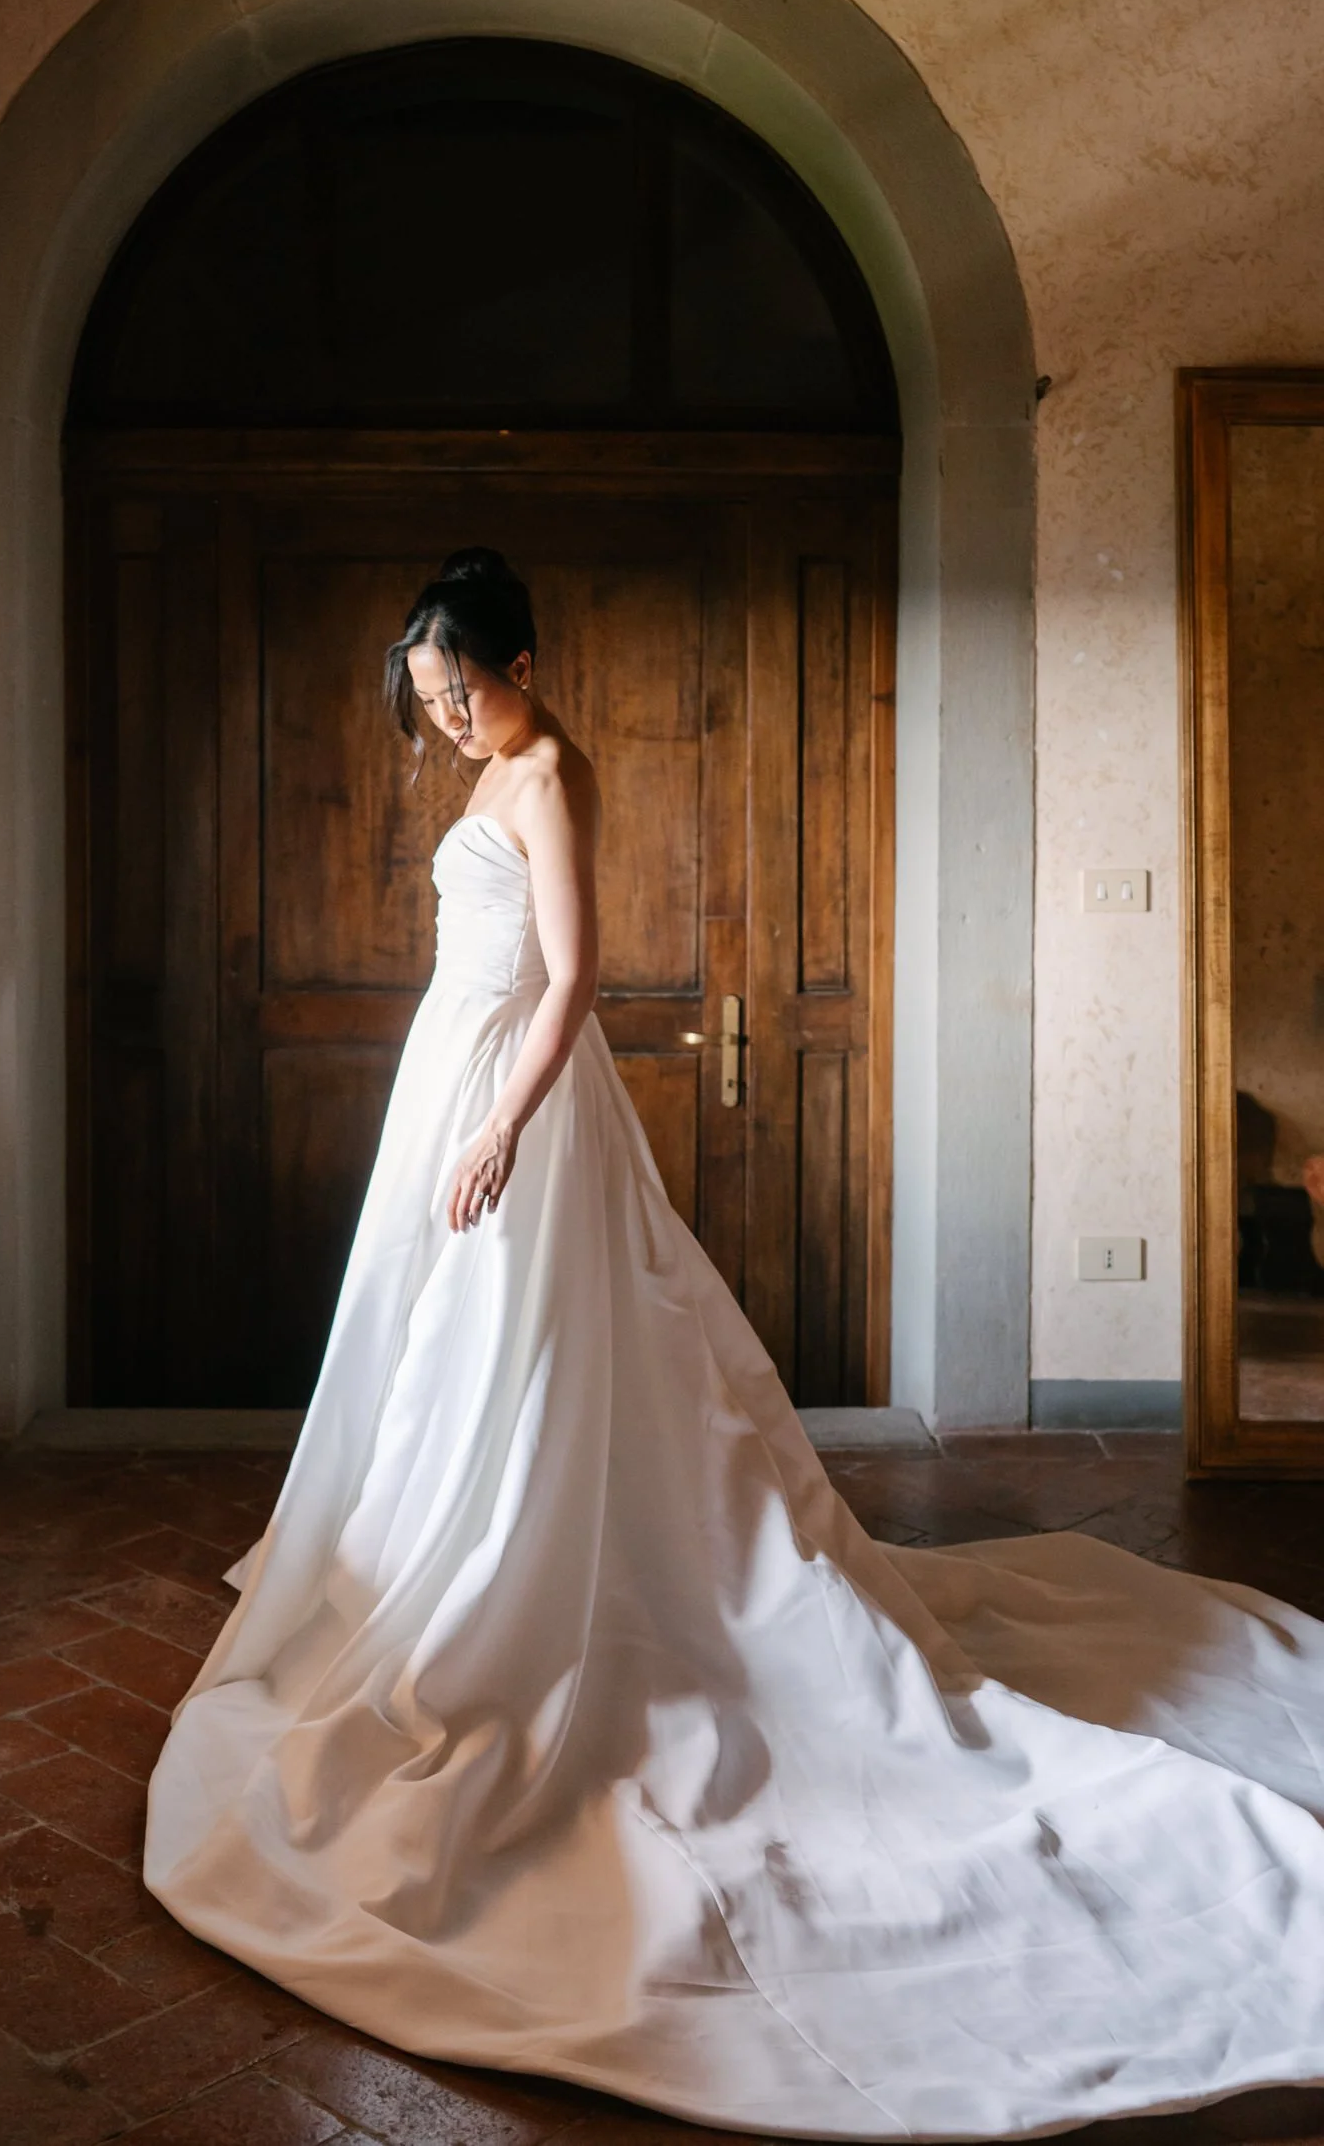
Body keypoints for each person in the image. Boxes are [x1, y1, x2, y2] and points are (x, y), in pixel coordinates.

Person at [146, 548, 1324, 2140]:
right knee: (426, 1356)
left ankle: (540, 1584)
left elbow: (573, 982)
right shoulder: (485, 770)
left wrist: (498, 1125)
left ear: (521, 663)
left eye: (463, 689)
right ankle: (424, 1567)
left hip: (519, 1096)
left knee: (529, 1357)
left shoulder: (551, 772)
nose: (447, 720)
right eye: (427, 701)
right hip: (449, 1077)